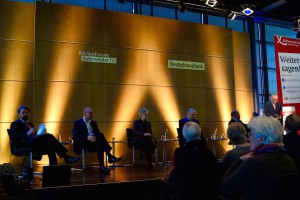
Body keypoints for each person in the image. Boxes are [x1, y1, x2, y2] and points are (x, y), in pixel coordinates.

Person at [221, 116, 298, 200]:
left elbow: (225, 187)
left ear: (262, 138)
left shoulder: (253, 163)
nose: (249, 138)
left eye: (251, 134)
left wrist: (239, 160)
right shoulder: (288, 160)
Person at [9, 105, 79, 166]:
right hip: (22, 145)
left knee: (50, 146)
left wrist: (40, 133)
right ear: (19, 114)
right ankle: (66, 157)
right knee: (49, 136)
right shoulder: (15, 124)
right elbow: (14, 138)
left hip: (33, 143)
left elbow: (33, 136)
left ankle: (54, 169)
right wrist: (27, 134)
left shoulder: (29, 124)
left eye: (27, 113)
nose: (25, 114)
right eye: (23, 113)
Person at [165, 122, 218, 200]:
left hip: (185, 193)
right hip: (206, 192)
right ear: (200, 133)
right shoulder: (208, 152)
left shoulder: (179, 152)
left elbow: (176, 172)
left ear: (184, 135)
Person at [73, 107, 121, 174]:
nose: (92, 114)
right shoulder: (77, 122)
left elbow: (97, 134)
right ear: (85, 114)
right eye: (90, 113)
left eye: (92, 113)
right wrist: (87, 137)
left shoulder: (93, 122)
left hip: (95, 142)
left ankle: (102, 167)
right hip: (84, 143)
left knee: (100, 141)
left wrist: (94, 138)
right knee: (100, 137)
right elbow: (76, 135)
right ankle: (109, 156)